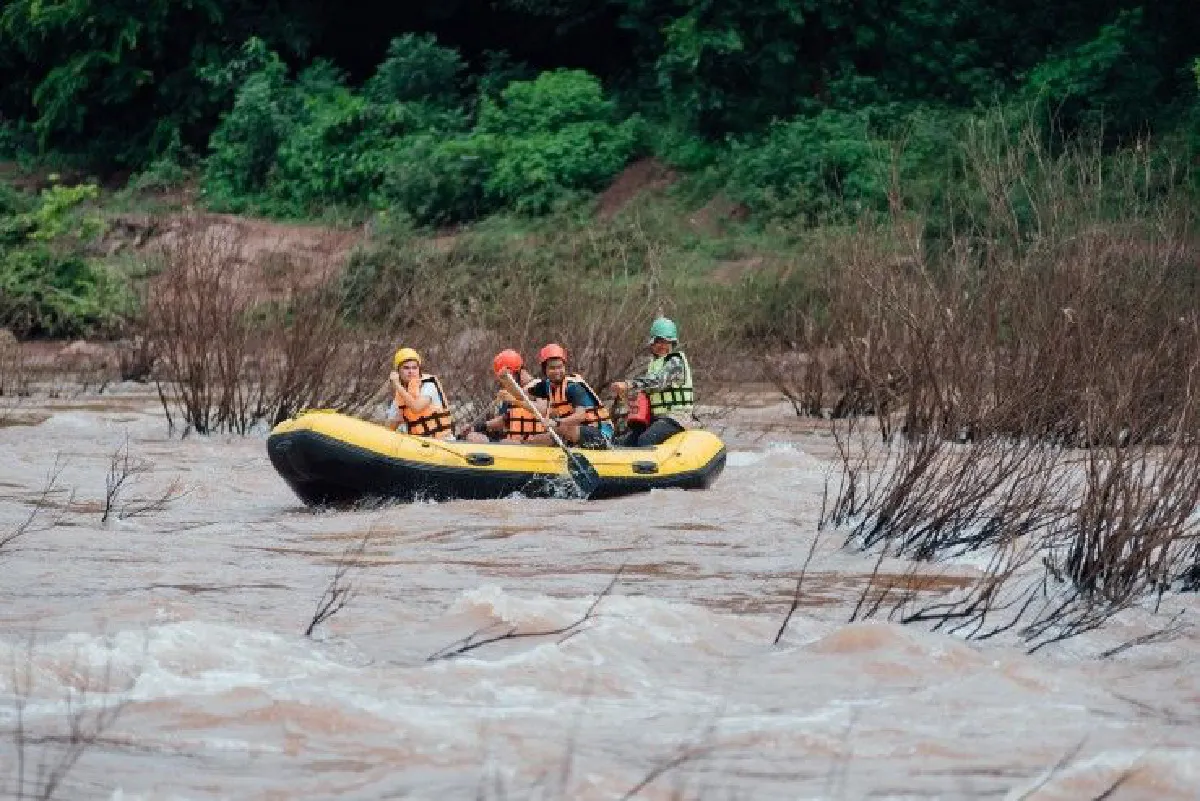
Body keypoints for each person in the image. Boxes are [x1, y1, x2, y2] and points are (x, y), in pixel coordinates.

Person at [610, 317, 696, 447]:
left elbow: (658, 381)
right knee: (626, 441)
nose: (662, 346)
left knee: (646, 440)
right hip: (656, 418)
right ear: (652, 344)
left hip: (677, 417)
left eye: (667, 342)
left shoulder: (676, 361)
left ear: (673, 343)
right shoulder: (654, 365)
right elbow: (645, 391)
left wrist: (629, 384)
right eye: (659, 342)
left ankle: (646, 467)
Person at [523, 343, 613, 449]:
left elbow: (580, 416)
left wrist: (556, 422)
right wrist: (505, 380)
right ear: (545, 370)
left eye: (560, 367)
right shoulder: (546, 386)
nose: (557, 371)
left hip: (600, 435)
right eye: (552, 368)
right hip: (574, 433)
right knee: (535, 440)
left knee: (562, 428)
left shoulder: (573, 387)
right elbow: (520, 394)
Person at [458, 349, 545, 443]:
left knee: (505, 442)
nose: (504, 383)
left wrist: (515, 400)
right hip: (512, 442)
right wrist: (477, 427)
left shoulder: (538, 386)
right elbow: (505, 419)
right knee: (473, 437)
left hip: (530, 444)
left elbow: (542, 409)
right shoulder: (512, 391)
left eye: (505, 378)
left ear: (516, 372)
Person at [385, 347, 454, 439]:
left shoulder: (429, 385)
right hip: (418, 444)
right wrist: (396, 420)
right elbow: (389, 428)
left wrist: (397, 384)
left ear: (419, 369)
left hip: (442, 442)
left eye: (414, 368)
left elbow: (416, 407)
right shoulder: (400, 397)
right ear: (398, 371)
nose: (411, 371)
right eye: (406, 368)